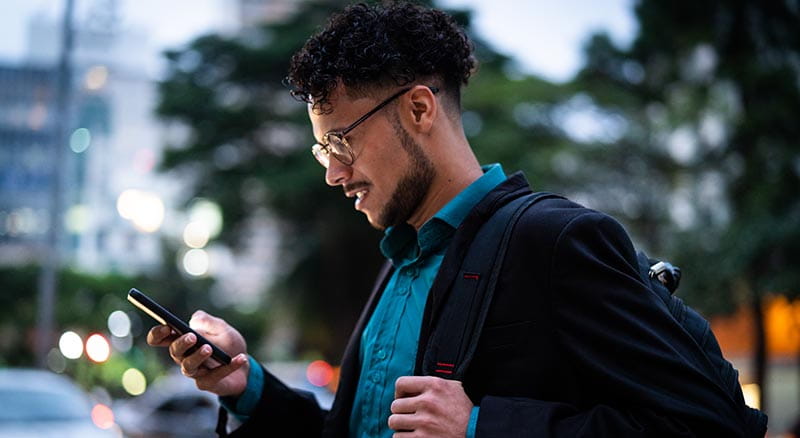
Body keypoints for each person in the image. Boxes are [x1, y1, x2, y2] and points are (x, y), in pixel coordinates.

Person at [147, 2, 763, 437]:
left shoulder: (555, 241)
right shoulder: (401, 262)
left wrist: (480, 426)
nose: (333, 173)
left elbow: (702, 422)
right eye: (322, 151)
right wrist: (246, 385)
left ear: (418, 109)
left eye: (342, 144)